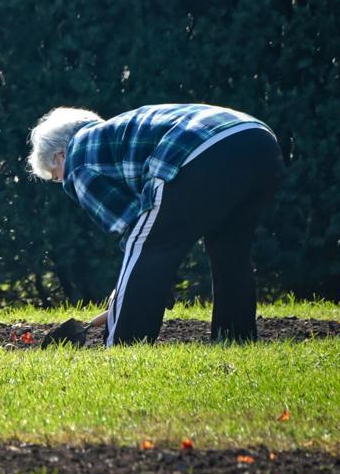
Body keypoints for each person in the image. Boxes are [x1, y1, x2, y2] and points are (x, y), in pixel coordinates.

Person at [27, 104, 284, 345]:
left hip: (198, 150)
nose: (63, 182)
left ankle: (125, 346)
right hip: (258, 142)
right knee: (229, 248)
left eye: (55, 176)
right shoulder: (117, 132)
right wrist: (151, 277)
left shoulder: (77, 159)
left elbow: (134, 230)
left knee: (146, 247)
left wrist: (128, 294)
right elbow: (156, 225)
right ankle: (235, 338)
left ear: (60, 155)